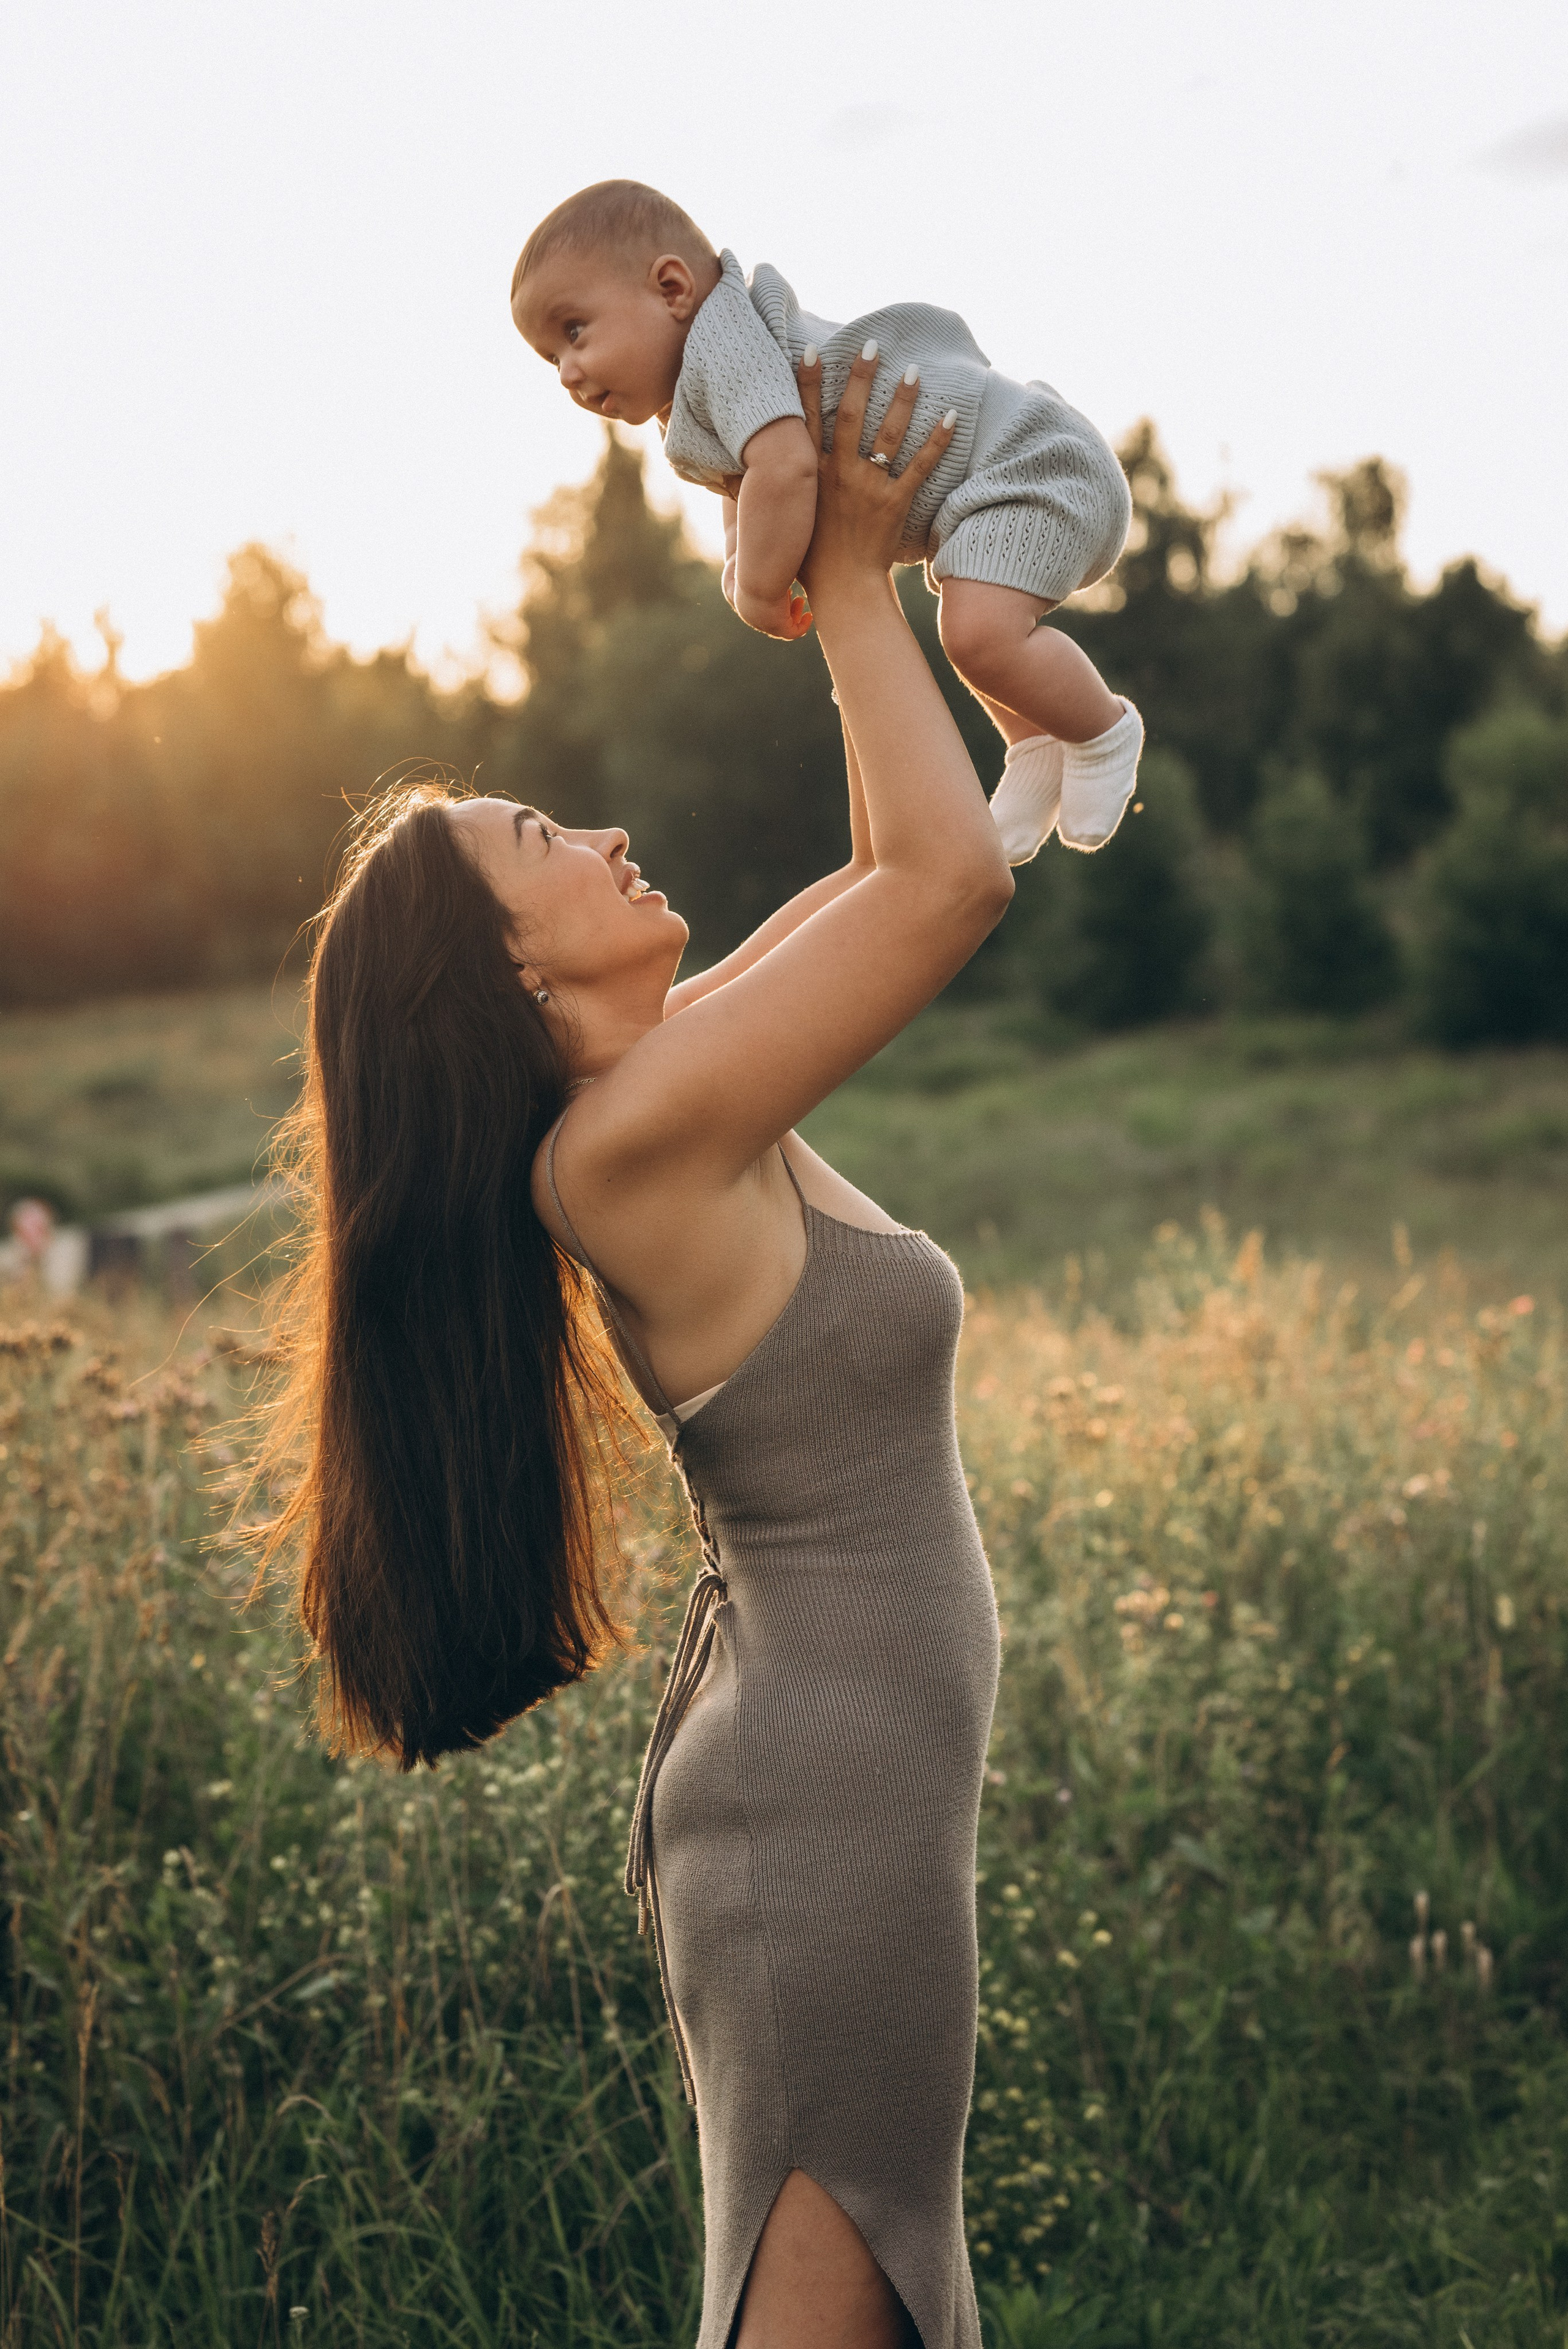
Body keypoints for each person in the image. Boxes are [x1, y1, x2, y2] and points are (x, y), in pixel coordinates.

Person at [254, 352, 1011, 2349]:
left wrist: (858, 595)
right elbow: (950, 881)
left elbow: (877, 873)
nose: (601, 828)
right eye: (542, 835)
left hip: (841, 1783)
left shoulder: (675, 1088)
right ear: (514, 970)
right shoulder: (631, 1145)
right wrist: (853, 584)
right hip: (815, 1809)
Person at [511, 176, 1142, 866]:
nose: (568, 372)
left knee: (977, 634)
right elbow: (749, 476)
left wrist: (755, 586)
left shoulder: (724, 344)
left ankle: (1102, 729)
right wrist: (737, 552)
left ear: (671, 289)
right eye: (551, 358)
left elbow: (785, 467)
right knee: (971, 631)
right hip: (991, 490)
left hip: (1035, 464)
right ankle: (1035, 742)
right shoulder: (711, 372)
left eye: (574, 332)